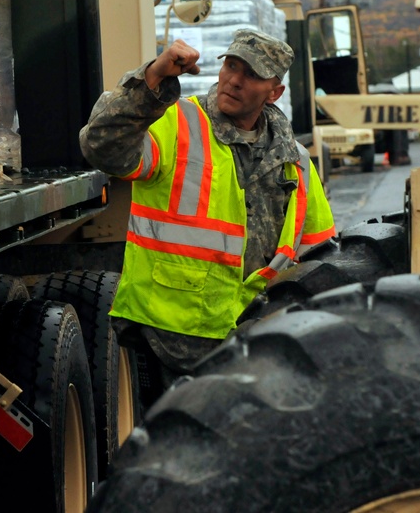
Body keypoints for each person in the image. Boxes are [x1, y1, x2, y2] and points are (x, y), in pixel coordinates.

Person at [79, 28, 336, 401]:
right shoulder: (176, 121)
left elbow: (320, 258)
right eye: (231, 66)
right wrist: (152, 78)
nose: (234, 79)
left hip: (259, 345)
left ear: (274, 92)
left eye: (250, 74)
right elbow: (101, 147)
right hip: (171, 340)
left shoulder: (295, 161)